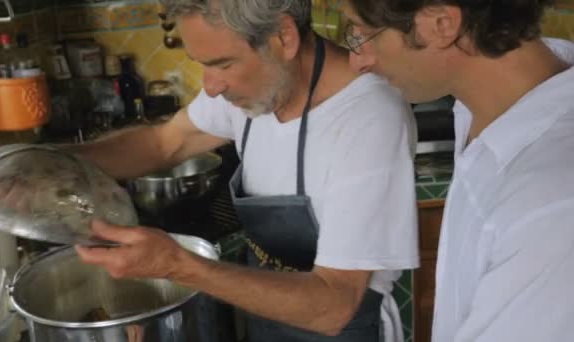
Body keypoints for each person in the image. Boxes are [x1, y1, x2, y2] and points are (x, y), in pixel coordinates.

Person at [70, 0, 419, 341]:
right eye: (203, 64)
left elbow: (334, 306)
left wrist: (177, 265)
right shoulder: (258, 89)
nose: (210, 86)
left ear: (284, 37)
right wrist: (43, 165)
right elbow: (164, 144)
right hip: (265, 322)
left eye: (222, 64)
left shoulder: (369, 117)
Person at [341, 1, 574, 341]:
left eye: (366, 35)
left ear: (442, 24)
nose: (357, 59)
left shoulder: (550, 207)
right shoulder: (478, 108)